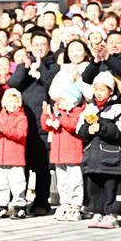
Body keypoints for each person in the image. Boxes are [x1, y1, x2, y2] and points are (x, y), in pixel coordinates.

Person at [82, 30, 121, 225]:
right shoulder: (101, 64)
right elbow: (86, 77)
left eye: (119, 42)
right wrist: (95, 59)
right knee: (104, 169)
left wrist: (108, 58)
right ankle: (101, 209)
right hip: (101, 121)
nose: (115, 44)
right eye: (111, 42)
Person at [8, 29, 59, 214]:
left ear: (48, 46)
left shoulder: (53, 66)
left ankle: (41, 201)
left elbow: (52, 85)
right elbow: (13, 84)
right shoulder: (25, 64)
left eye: (43, 45)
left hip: (44, 122)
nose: (39, 48)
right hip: (25, 122)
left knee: (43, 167)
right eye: (36, 45)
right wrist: (25, 66)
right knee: (23, 164)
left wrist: (41, 67)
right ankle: (20, 200)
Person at [77, 71, 121, 229]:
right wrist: (88, 130)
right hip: (93, 157)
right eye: (97, 89)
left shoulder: (119, 109)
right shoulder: (89, 109)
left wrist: (102, 127)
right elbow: (79, 130)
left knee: (112, 186)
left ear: (111, 91)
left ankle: (112, 214)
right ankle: (97, 212)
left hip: (112, 158)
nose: (99, 93)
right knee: (94, 186)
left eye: (103, 89)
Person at [41, 83, 86, 221]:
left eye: (62, 100)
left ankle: (76, 204)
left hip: (73, 154)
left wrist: (59, 115)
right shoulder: (60, 114)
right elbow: (46, 126)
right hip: (58, 154)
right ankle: (65, 202)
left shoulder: (77, 113)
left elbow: (72, 125)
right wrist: (46, 115)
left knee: (75, 180)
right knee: (62, 181)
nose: (59, 103)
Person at [0, 88, 28, 219]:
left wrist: (4, 130)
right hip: (0, 157)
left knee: (18, 183)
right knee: (0, 183)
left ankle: (19, 206)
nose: (12, 104)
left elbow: (20, 134)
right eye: (9, 101)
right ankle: (2, 206)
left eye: (15, 102)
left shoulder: (22, 118)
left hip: (15, 157)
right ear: (4, 103)